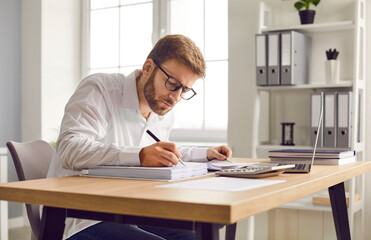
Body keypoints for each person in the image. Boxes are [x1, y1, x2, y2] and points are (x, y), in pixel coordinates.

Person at [47, 34, 232, 240]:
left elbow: (160, 152)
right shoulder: (100, 89)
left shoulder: (162, 113)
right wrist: (140, 156)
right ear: (148, 68)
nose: (176, 97)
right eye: (172, 83)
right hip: (78, 216)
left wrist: (205, 154)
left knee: (194, 235)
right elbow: (69, 150)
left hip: (130, 211)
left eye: (185, 90)